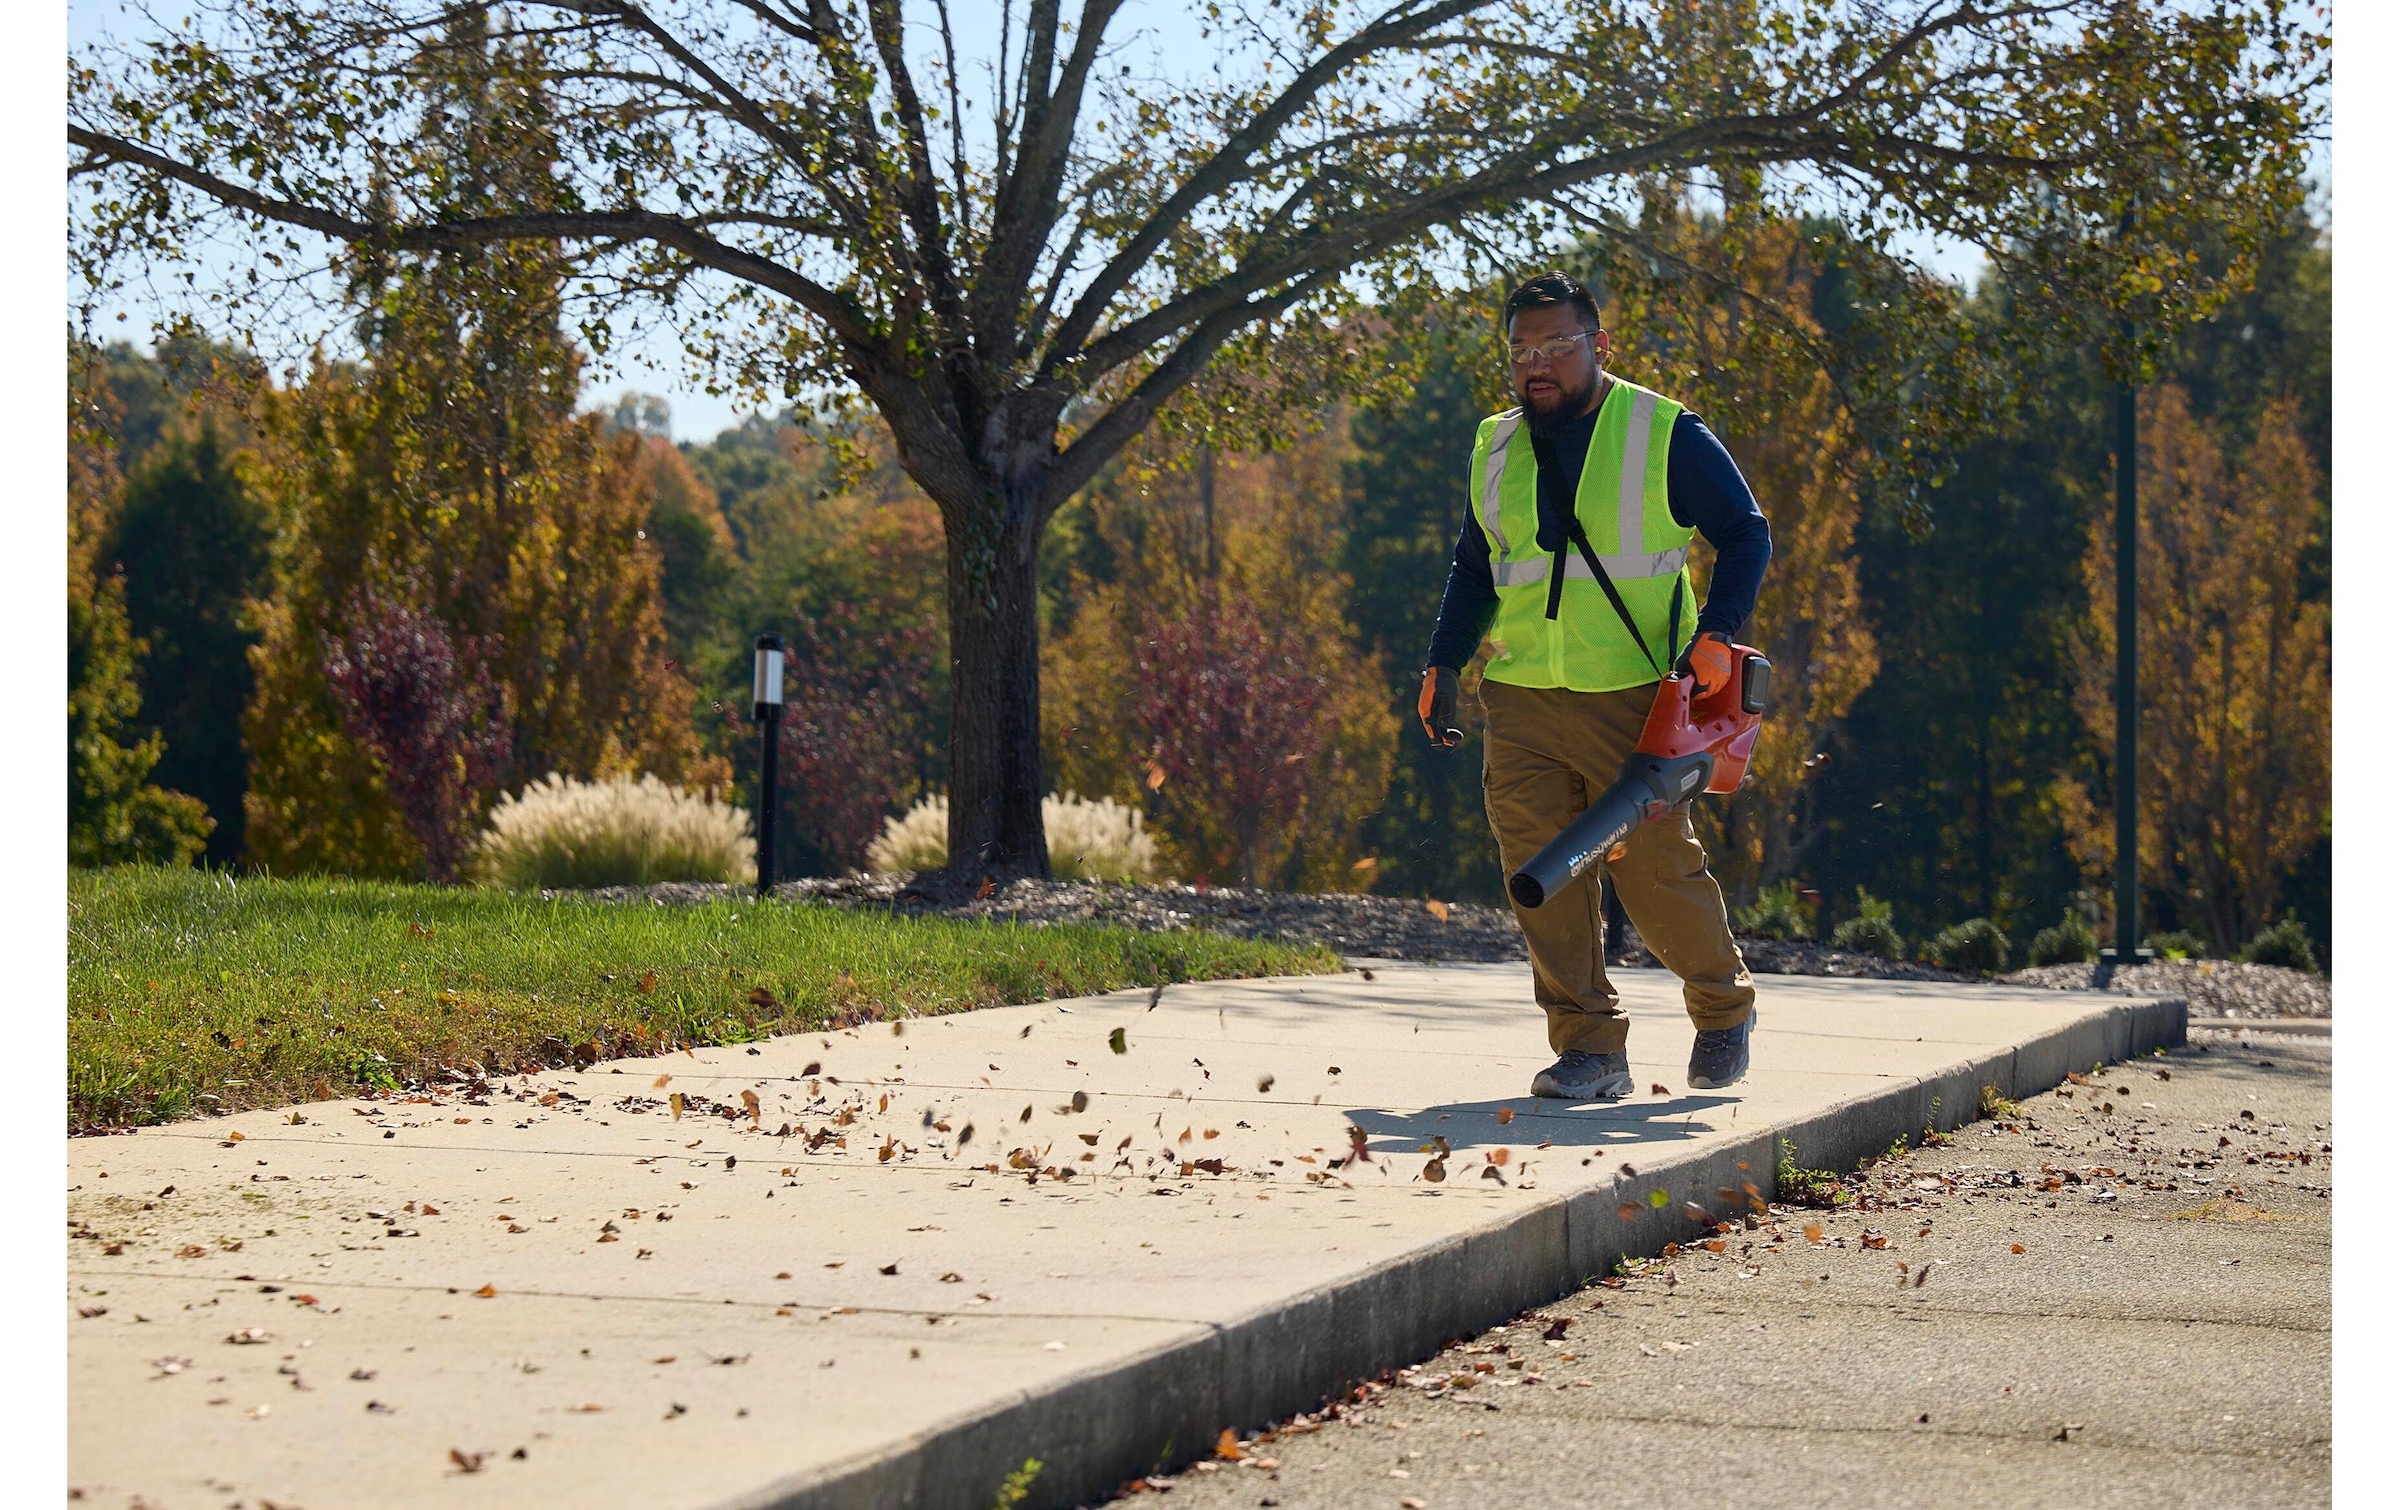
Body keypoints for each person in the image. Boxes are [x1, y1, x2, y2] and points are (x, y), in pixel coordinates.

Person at [1418, 270, 1772, 1100]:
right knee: (1540, 873)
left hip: (1636, 695)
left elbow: (1744, 531)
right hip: (1521, 693)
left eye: (1555, 345)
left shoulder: (1662, 430)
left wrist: (1717, 633)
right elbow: (1475, 569)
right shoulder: (1495, 445)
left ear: (1598, 345)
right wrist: (1441, 664)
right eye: (1520, 349)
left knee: (1652, 871)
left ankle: (1724, 1010)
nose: (1535, 363)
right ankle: (1588, 1047)